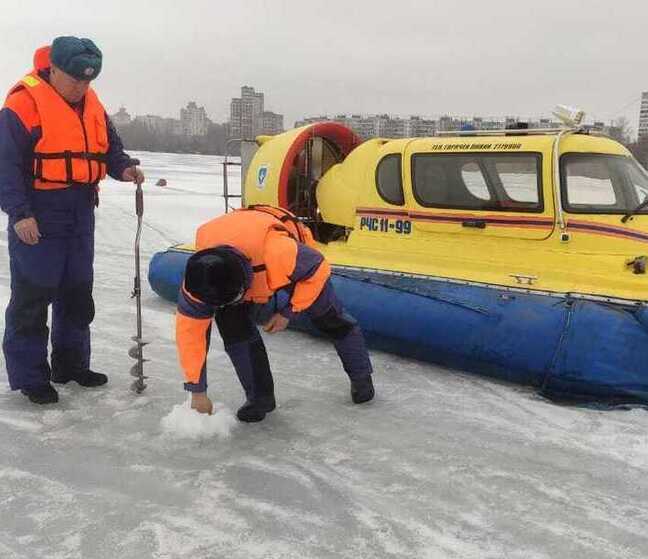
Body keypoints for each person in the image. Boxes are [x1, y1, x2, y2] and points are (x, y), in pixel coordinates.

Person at [0, 37, 144, 404]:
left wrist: (124, 168)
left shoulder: (92, 104)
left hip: (81, 208)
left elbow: (109, 148)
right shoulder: (23, 103)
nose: (81, 87)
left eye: (88, 81)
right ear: (54, 69)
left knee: (77, 292)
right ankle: (32, 377)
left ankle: (71, 365)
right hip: (39, 210)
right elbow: (5, 166)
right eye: (74, 80)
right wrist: (19, 213)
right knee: (33, 295)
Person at [176, 205, 375, 422]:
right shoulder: (199, 282)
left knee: (330, 318)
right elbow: (190, 336)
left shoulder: (279, 252)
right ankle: (259, 399)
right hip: (238, 258)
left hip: (292, 260)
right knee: (232, 323)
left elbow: (318, 267)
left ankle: (361, 377)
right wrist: (197, 391)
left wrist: (289, 312)